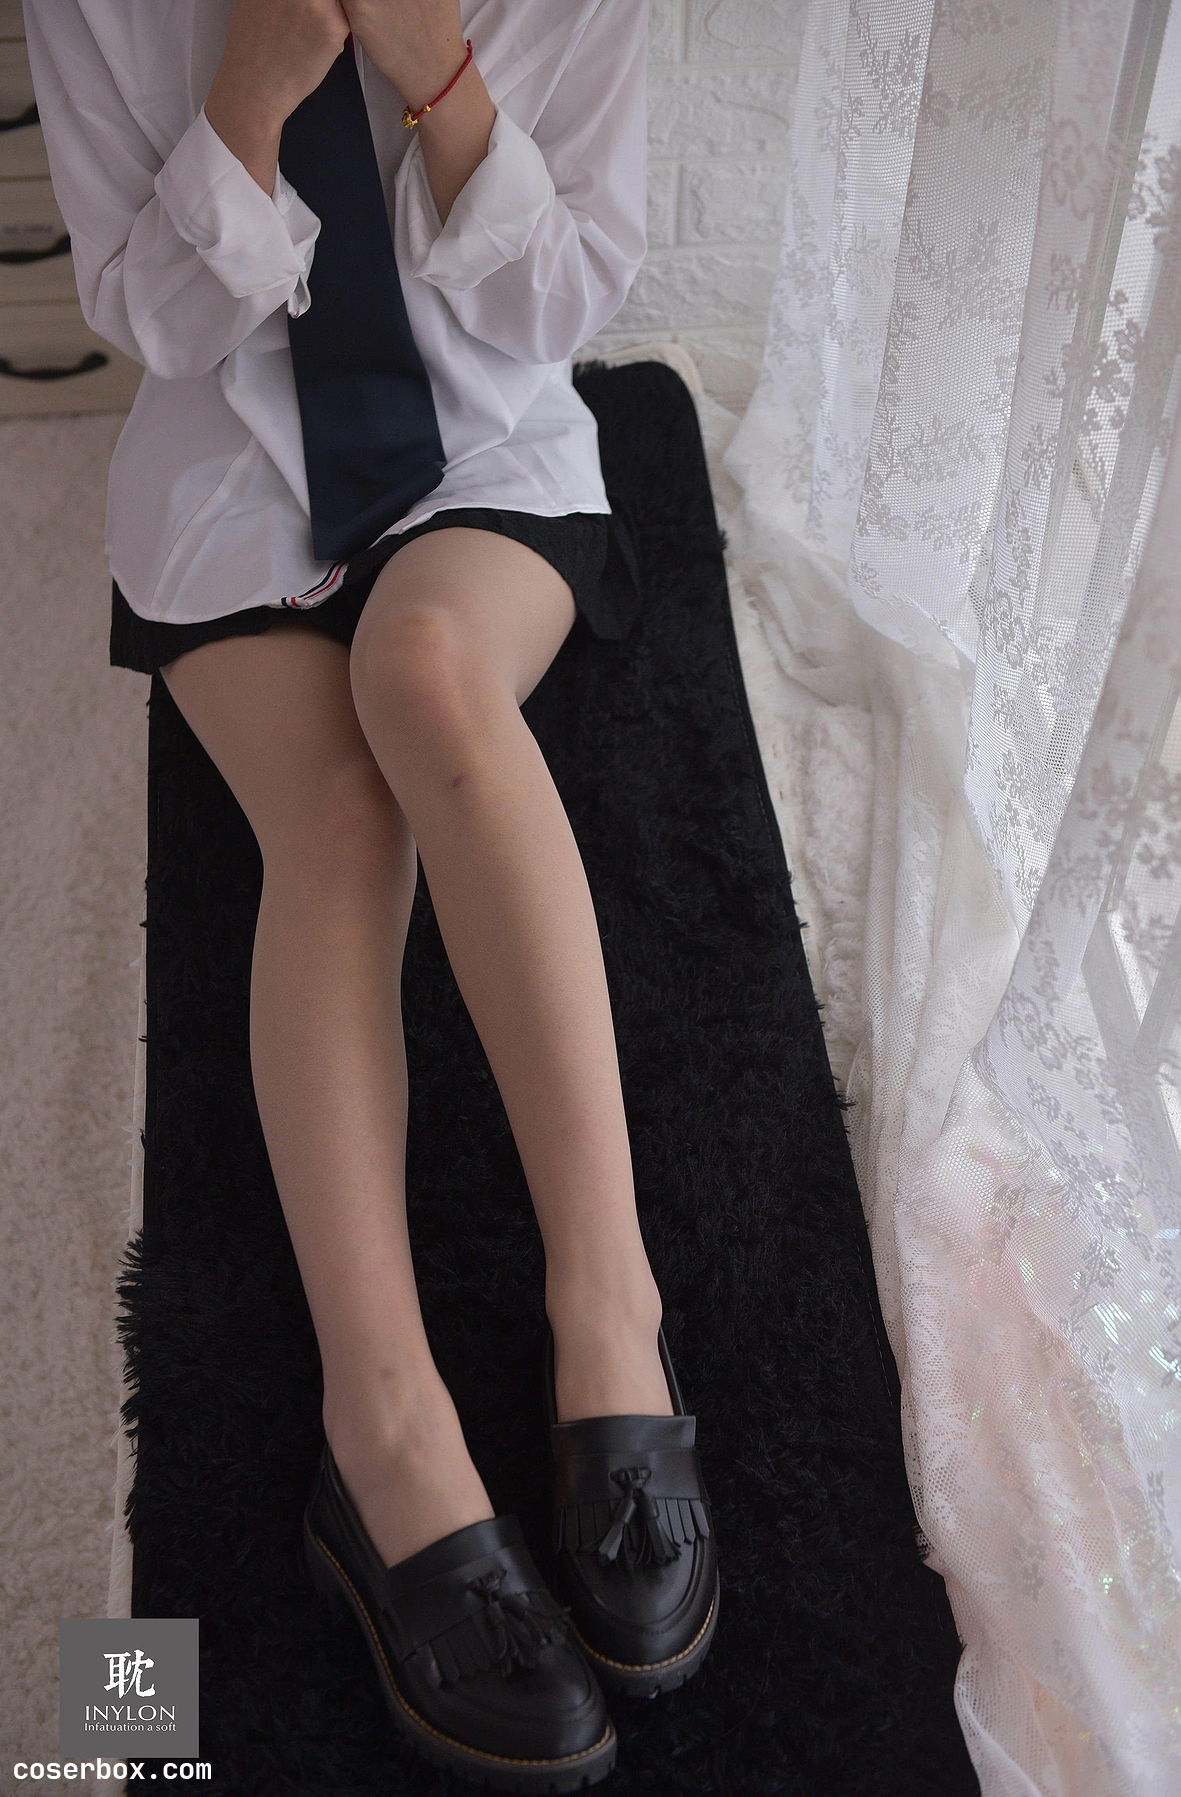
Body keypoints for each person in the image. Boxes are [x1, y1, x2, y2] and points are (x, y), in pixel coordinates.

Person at [24, 0, 718, 1787]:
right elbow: (148, 318)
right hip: (226, 482)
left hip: (488, 449)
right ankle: (383, 1423)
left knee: (426, 679)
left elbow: (569, 298)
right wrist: (252, 95)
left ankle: (610, 1312)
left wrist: (439, 76)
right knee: (333, 823)